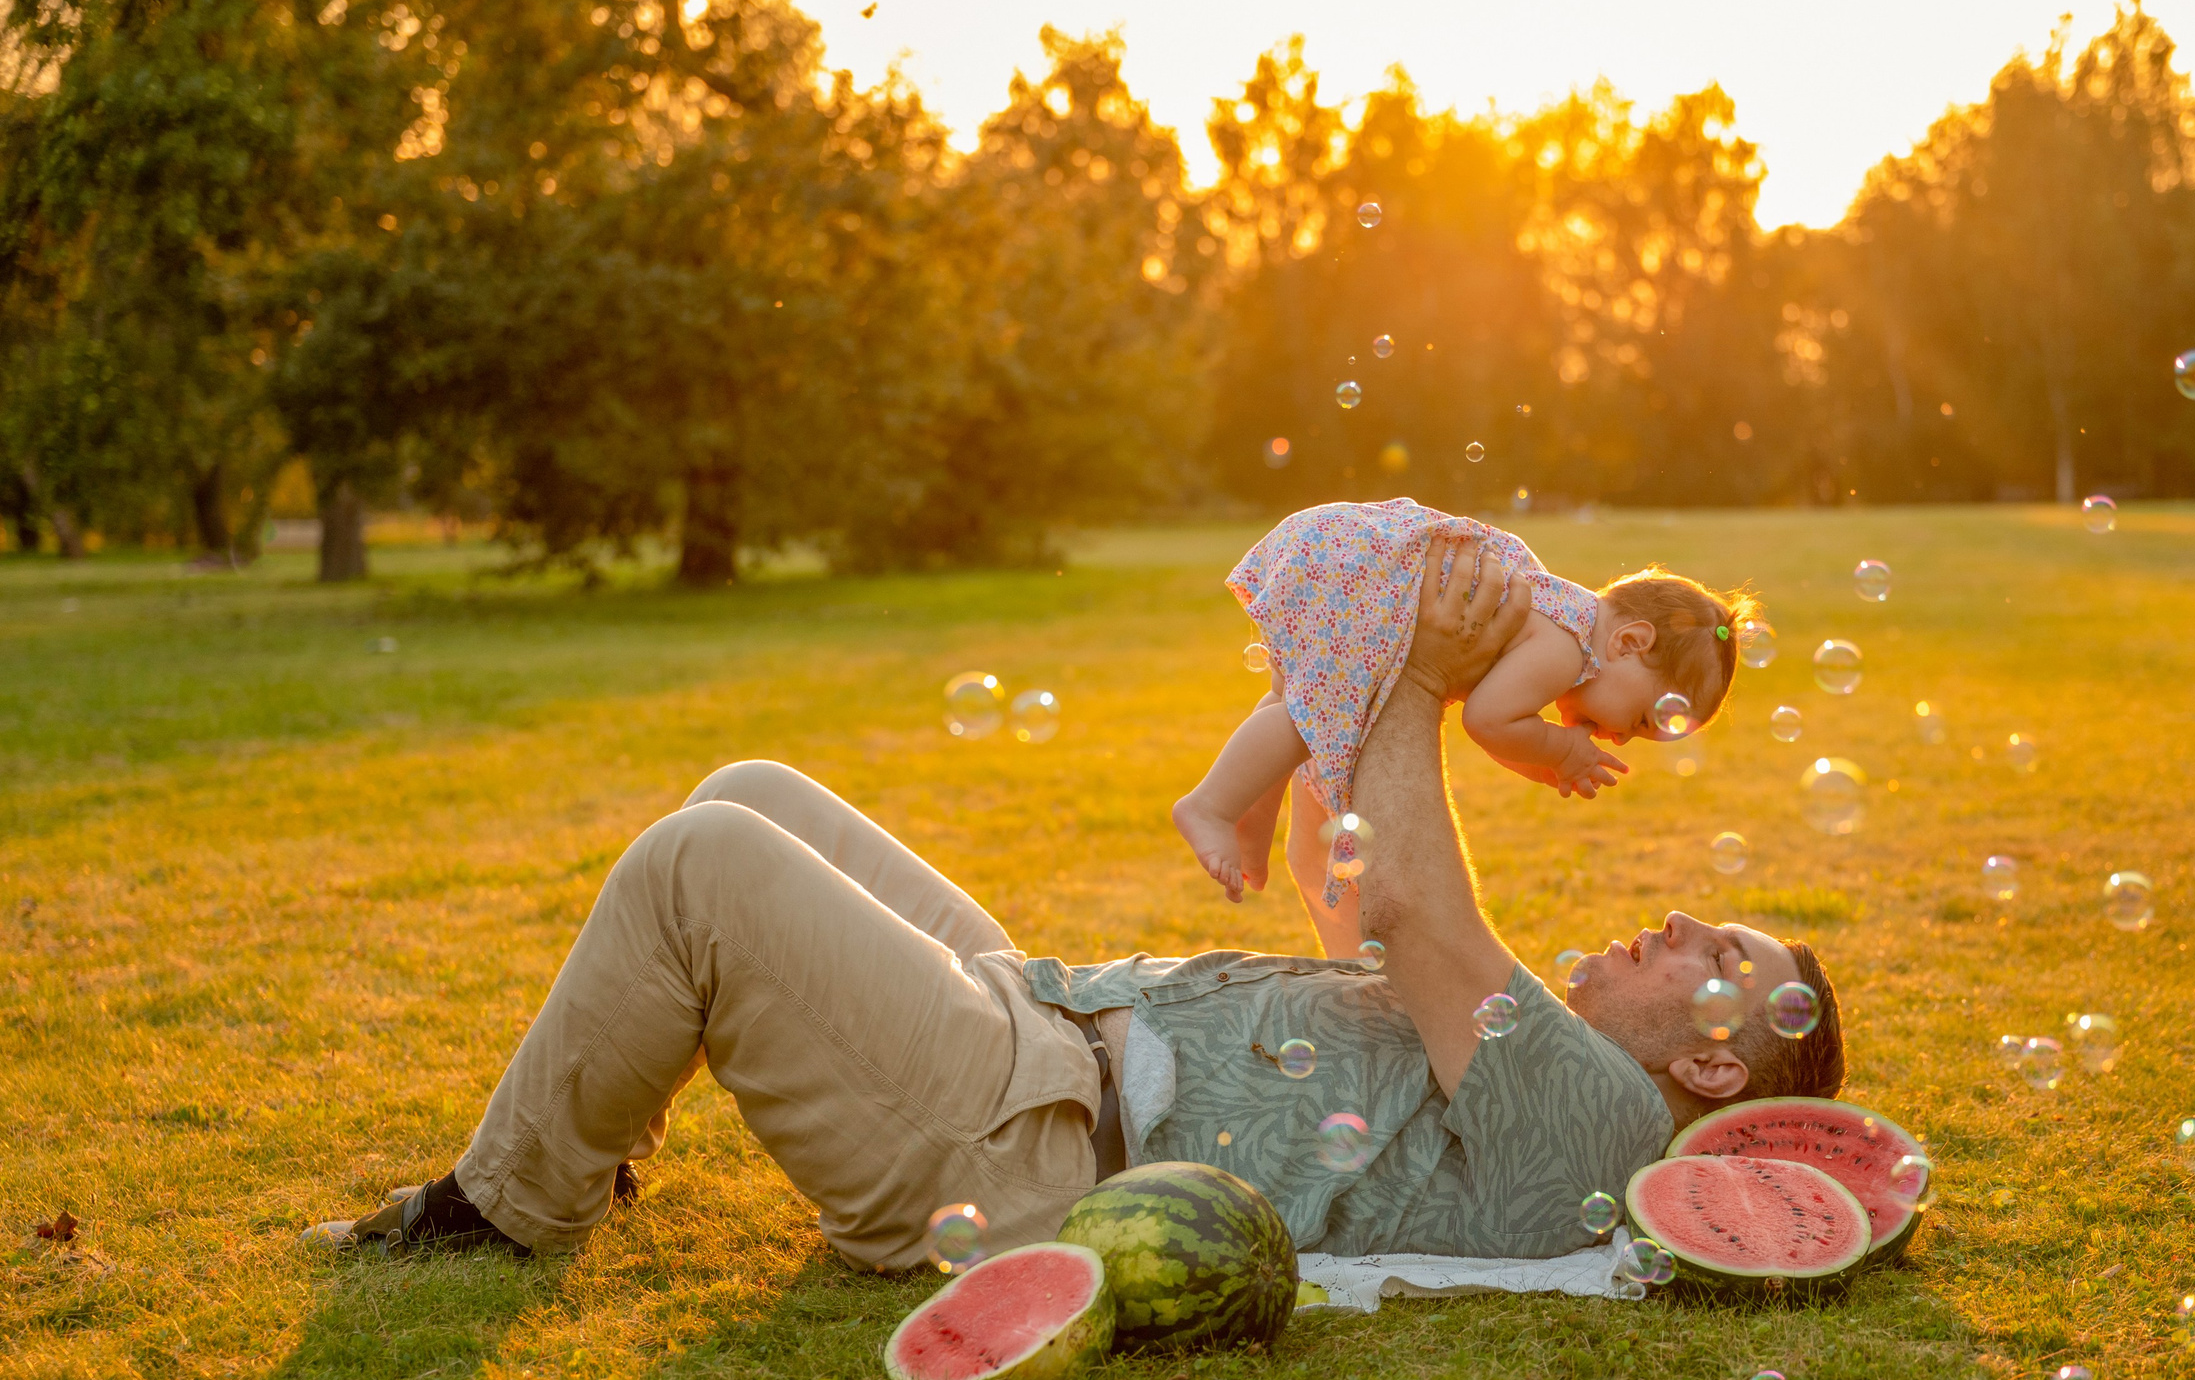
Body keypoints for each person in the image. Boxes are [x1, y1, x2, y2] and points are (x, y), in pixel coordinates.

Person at [305, 534, 1842, 1268]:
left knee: (696, 869)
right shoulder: (1532, 1074)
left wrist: (1420, 666)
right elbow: (1370, 887)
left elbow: (1422, 923)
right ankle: (605, 1132)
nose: (1682, 924)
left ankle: (502, 1207)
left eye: (1720, 957)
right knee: (752, 792)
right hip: (1053, 1023)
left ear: (1715, 1063)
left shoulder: (1604, 1126)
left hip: (1032, 1138)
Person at [1172, 497, 1758, 902]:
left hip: (1341, 553)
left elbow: (1503, 730)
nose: (1617, 737)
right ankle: (1210, 807)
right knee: (1312, 718)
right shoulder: (1565, 649)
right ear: (1629, 643)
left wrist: (1541, 761)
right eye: (1637, 719)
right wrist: (1558, 750)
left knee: (1292, 702)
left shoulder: (1565, 623)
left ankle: (1250, 815)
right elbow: (1486, 720)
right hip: (1360, 576)